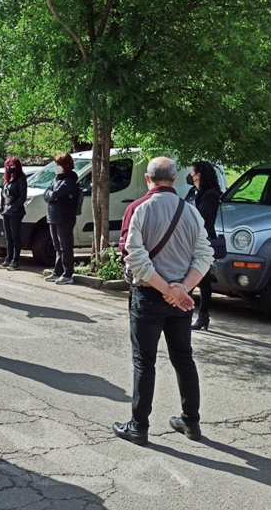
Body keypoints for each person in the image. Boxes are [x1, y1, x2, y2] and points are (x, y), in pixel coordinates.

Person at [113, 157, 213, 447]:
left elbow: (133, 256)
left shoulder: (139, 209)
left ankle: (139, 426)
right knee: (183, 358)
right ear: (174, 178)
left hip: (148, 296)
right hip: (180, 300)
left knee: (144, 361)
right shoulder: (191, 212)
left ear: (148, 178)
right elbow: (204, 255)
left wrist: (165, 288)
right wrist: (182, 289)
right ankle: (191, 421)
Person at [188, 161, 222, 330]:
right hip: (189, 238)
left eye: (191, 172)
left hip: (204, 239)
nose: (189, 175)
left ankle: (203, 315)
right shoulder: (194, 192)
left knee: (202, 278)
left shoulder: (211, 195)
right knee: (193, 275)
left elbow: (201, 216)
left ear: (198, 175)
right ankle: (191, 312)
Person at [44, 153, 80, 285]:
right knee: (57, 246)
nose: (56, 167)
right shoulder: (56, 179)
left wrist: (52, 195)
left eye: (58, 164)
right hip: (53, 217)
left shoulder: (70, 180)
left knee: (65, 246)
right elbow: (47, 194)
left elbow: (55, 194)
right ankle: (57, 271)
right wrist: (52, 195)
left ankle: (67, 273)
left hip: (64, 217)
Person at [0, 156, 28, 270]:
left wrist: (13, 208)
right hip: (6, 211)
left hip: (16, 212)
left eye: (12, 165)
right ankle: (8, 258)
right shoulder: (6, 179)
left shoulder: (21, 179)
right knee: (8, 236)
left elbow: (22, 197)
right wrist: (1, 206)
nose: (10, 168)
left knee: (15, 236)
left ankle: (15, 260)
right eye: (8, 166)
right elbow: (3, 194)